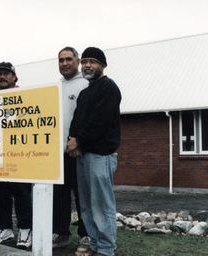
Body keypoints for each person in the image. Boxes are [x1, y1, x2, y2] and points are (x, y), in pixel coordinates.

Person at [66, 47, 121, 256]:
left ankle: (106, 249)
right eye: (85, 61)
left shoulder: (109, 88)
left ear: (103, 65)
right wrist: (72, 139)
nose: (88, 65)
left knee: (101, 204)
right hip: (83, 154)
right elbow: (76, 120)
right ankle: (95, 244)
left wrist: (78, 141)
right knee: (87, 205)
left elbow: (100, 122)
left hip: (101, 155)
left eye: (93, 61)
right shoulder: (85, 92)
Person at [0, 62, 33, 250]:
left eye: (6, 74)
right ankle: (3, 229)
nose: (2, 77)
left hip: (18, 154)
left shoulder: (24, 96)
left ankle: (26, 230)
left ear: (14, 77)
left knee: (21, 192)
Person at [52, 47, 89, 248]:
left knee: (82, 195)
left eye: (68, 59)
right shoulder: (55, 87)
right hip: (58, 153)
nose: (64, 63)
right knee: (59, 195)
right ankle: (61, 233)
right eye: (61, 60)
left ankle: (86, 234)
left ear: (78, 60)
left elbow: (86, 117)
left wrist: (78, 140)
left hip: (78, 150)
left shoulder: (86, 84)